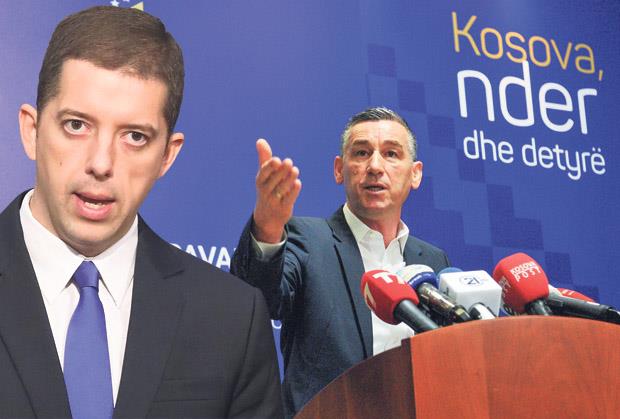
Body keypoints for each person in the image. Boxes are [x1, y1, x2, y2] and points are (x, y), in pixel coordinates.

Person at [0, 6, 282, 419]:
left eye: (134, 136)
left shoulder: (231, 319)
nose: (101, 163)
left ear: (167, 155)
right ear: (32, 130)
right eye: (77, 125)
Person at [231, 107, 450, 417]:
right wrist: (267, 226)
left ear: (415, 174)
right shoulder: (307, 238)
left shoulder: (432, 261)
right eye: (361, 153)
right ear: (339, 170)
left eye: (391, 154)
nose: (375, 166)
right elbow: (257, 300)